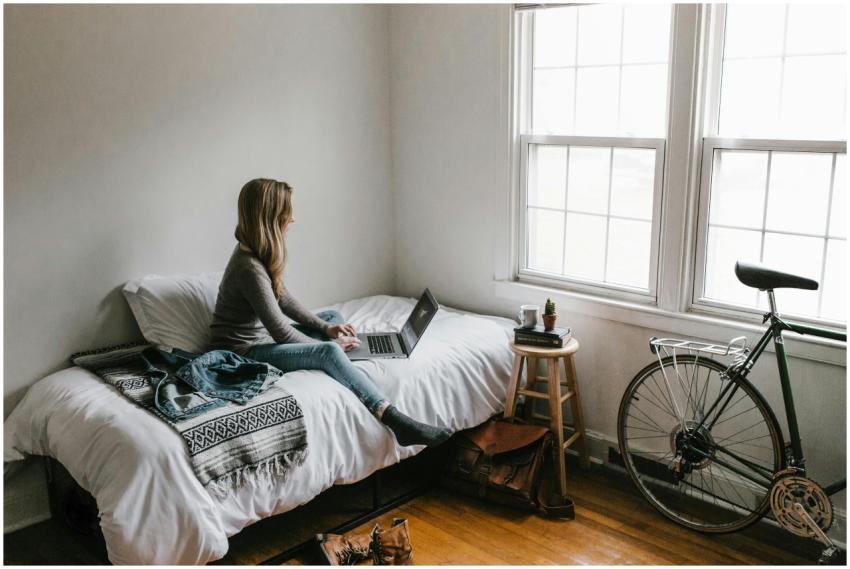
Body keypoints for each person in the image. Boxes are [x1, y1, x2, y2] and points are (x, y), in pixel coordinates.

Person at [208, 178, 451, 447]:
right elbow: (279, 330)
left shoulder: (256, 253)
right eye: (287, 212)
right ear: (271, 217)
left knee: (332, 319)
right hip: (241, 354)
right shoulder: (248, 268)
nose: (293, 218)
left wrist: (326, 330)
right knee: (329, 351)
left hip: (260, 340)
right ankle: (393, 418)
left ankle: (341, 359)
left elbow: (284, 299)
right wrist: (328, 346)